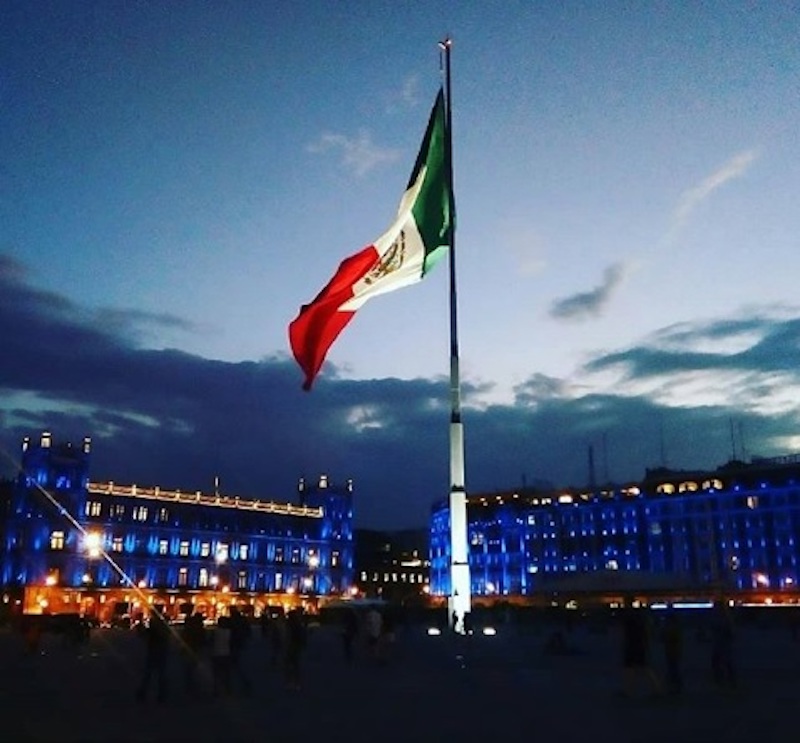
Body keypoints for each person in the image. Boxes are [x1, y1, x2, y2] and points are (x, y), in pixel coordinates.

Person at [618, 600, 661, 697]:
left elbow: (626, 634)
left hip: (632, 646)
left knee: (630, 669)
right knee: (644, 668)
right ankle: (656, 688)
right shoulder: (639, 619)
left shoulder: (629, 619)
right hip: (639, 645)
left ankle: (628, 690)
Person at [135, 609, 171, 703]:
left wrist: (140, 625)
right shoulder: (162, 625)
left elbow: (144, 635)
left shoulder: (155, 626)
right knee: (159, 674)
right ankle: (161, 693)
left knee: (150, 673)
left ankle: (145, 692)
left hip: (155, 650)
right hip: (160, 650)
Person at [710, 599, 736, 689]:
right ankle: (727, 678)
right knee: (723, 661)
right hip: (721, 642)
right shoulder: (725, 617)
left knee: (721, 660)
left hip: (721, 642)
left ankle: (723, 678)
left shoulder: (720, 618)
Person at [182, 612, 207, 698]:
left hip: (190, 649)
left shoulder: (190, 628)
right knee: (194, 669)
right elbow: (203, 640)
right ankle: (194, 687)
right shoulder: (199, 629)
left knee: (189, 669)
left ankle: (189, 686)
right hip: (196, 649)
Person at [229, 607, 252, 695]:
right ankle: (244, 683)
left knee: (235, 665)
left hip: (234, 644)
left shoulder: (232, 620)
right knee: (238, 665)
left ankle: (236, 685)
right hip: (240, 643)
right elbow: (248, 630)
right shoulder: (242, 619)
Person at [661, 607, 683, 695]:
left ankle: (673, 683)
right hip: (674, 649)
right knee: (674, 667)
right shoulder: (676, 627)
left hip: (671, 649)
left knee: (672, 667)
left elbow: (666, 637)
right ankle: (675, 683)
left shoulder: (670, 628)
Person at [284, 608, 307, 691]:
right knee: (295, 665)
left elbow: (288, 636)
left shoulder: (290, 625)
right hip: (296, 647)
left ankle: (290, 682)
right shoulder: (298, 625)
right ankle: (296, 683)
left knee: (288, 665)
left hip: (291, 646)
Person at [211, 615, 232, 697]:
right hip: (226, 654)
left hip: (216, 654)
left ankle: (216, 690)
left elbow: (210, 642)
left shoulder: (215, 632)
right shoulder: (229, 632)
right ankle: (227, 689)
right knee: (226, 674)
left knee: (217, 674)